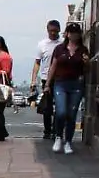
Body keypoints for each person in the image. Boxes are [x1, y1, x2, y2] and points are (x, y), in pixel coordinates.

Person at [45, 22, 90, 154]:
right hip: (60, 83)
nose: (73, 35)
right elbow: (53, 66)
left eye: (76, 33)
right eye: (71, 32)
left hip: (76, 84)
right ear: (67, 34)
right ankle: (58, 136)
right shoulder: (59, 49)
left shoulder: (83, 50)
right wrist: (48, 84)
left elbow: (87, 70)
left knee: (71, 114)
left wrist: (87, 63)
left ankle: (68, 142)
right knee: (61, 111)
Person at [32, 20, 61, 138]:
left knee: (60, 106)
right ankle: (47, 130)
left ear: (59, 30)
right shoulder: (42, 44)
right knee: (47, 107)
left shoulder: (63, 43)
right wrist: (34, 79)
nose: (53, 33)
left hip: (60, 78)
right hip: (46, 79)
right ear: (47, 30)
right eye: (51, 31)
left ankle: (56, 129)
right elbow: (37, 63)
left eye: (55, 31)